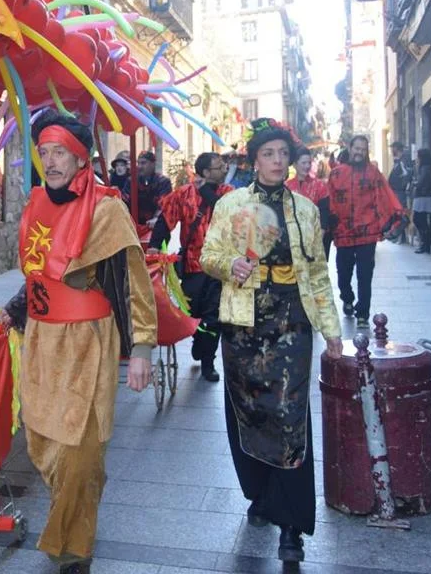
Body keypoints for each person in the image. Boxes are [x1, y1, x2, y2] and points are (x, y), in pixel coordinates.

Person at [1, 111, 155, 574]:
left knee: (80, 450)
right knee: (44, 441)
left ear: (81, 157)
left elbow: (132, 282)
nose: (50, 162)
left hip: (87, 343)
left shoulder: (106, 210)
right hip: (41, 341)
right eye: (44, 152)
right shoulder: (34, 205)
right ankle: (71, 517)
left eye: (60, 153)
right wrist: (16, 309)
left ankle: (74, 548)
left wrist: (142, 348)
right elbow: (37, 274)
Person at [200, 118, 342, 564]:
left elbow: (317, 272)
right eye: (268, 154)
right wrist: (230, 266)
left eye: (283, 153)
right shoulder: (231, 204)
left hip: (292, 320)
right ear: (255, 161)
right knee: (249, 411)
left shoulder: (307, 210)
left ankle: (291, 525)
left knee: (290, 416)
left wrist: (332, 330)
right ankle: (259, 494)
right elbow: (208, 255)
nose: (278, 161)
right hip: (244, 324)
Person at [148, 151, 233, 382]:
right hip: (193, 267)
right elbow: (165, 220)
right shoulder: (183, 194)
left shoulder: (229, 193)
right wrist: (154, 246)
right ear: (205, 172)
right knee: (194, 313)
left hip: (220, 267)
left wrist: (206, 191)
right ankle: (199, 340)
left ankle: (208, 362)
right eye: (219, 167)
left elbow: (226, 212)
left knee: (214, 317)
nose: (225, 169)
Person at [326, 135, 404, 329]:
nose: (359, 152)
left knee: (365, 276)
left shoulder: (373, 173)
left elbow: (384, 195)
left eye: (363, 149)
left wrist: (393, 217)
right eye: (357, 148)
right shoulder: (336, 174)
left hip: (367, 233)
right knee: (343, 276)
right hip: (343, 233)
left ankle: (363, 314)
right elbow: (330, 200)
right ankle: (347, 298)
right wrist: (329, 222)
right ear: (350, 148)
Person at [287, 147, 334, 259]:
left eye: (309, 163)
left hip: (317, 237)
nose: (307, 166)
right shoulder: (287, 187)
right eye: (303, 163)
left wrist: (318, 239)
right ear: (295, 164)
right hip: (294, 240)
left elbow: (324, 213)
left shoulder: (320, 186)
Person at [121, 150, 172, 229]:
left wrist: (157, 218)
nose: (140, 166)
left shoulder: (163, 182)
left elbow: (165, 204)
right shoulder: (132, 181)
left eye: (143, 163)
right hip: (134, 226)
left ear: (153, 164)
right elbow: (124, 200)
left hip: (156, 226)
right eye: (139, 163)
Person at [411, 149, 431, 254]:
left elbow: (421, 181)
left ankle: (425, 243)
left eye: (418, 156)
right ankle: (425, 243)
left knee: (418, 219)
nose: (417, 158)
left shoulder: (425, 168)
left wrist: (415, 184)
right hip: (424, 196)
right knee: (422, 220)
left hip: (423, 196)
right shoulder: (426, 167)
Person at [387, 142, 413, 239]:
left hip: (400, 191)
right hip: (396, 191)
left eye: (392, 148)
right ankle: (400, 236)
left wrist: (404, 187)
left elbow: (407, 174)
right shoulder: (398, 161)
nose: (391, 150)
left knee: (400, 212)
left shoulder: (403, 160)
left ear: (396, 149)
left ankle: (397, 232)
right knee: (397, 212)